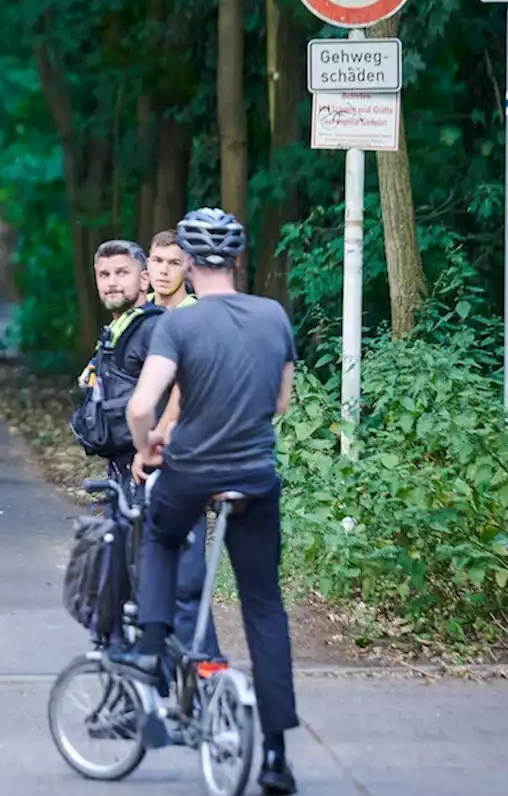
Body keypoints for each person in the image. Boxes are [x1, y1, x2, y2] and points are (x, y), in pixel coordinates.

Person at [107, 207, 299, 795]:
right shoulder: (273, 315)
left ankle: (147, 649)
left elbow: (142, 409)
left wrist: (149, 447)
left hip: (191, 472)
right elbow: (282, 402)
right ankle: (274, 758)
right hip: (256, 476)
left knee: (161, 532)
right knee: (264, 609)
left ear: (187, 264)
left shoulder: (179, 326)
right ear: (238, 261)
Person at [71, 239, 223, 667]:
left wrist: (150, 443)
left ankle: (203, 677)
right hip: (122, 476)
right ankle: (141, 690)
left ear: (142, 279)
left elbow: (187, 382)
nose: (111, 282)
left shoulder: (156, 325)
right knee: (133, 587)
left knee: (169, 584)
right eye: (104, 274)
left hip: (151, 474)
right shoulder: (125, 326)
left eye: (122, 273)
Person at [146, 230, 196, 309]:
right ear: (148, 264)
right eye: (158, 261)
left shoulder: (199, 312)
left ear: (188, 268)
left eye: (174, 263)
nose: (164, 271)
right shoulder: (137, 308)